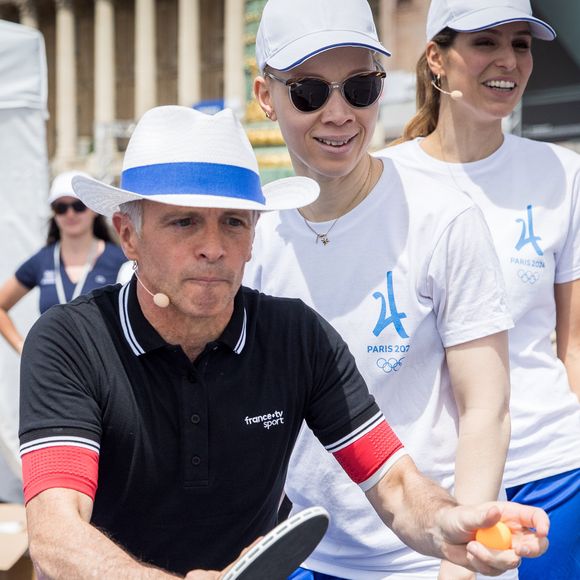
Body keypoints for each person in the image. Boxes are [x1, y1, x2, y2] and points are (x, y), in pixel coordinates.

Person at [19, 105, 548, 580]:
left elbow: (394, 485)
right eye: (183, 222)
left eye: (233, 222)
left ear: (254, 234)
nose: (212, 247)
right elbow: (54, 530)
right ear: (128, 234)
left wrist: (447, 522)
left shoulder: (296, 335)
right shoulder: (70, 340)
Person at [247, 0, 518, 578]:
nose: (340, 113)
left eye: (361, 88)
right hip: (297, 553)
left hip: (425, 553)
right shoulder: (252, 233)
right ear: (266, 97)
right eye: (309, 92)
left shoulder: (440, 218)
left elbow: (485, 407)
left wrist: (461, 560)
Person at [375, 1, 580, 578]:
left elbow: (572, 345)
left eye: (521, 44)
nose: (508, 61)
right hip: (432, 490)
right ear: (436, 59)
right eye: (486, 42)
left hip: (555, 473)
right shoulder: (384, 181)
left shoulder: (561, 174)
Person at [0, 170, 127, 354]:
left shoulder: (120, 259)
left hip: (103, 369)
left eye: (78, 206)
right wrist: (23, 347)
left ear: (93, 209)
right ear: (54, 213)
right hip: (54, 369)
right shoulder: (43, 260)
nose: (70, 214)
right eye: (61, 208)